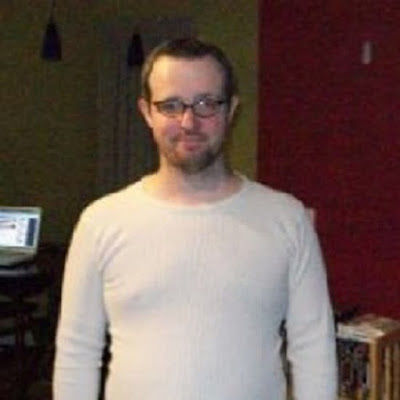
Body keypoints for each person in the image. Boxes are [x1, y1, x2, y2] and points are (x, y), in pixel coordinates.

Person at [53, 38, 337, 400]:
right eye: (170, 105)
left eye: (206, 104)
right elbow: (77, 353)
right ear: (147, 112)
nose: (188, 121)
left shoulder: (287, 220)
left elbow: (313, 348)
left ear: (231, 110)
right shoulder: (101, 222)